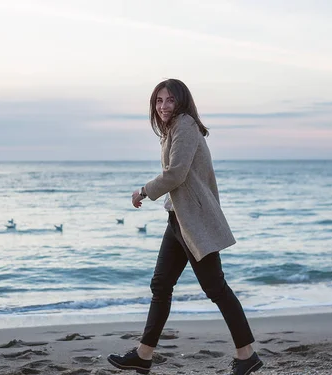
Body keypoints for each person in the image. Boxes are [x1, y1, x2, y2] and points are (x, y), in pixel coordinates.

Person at [107, 79, 263, 375]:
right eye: (158, 101)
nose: (163, 106)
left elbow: (175, 174)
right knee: (161, 285)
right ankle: (143, 354)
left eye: (169, 100)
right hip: (178, 219)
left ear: (181, 103)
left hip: (195, 222)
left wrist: (143, 190)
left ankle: (247, 354)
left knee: (215, 287)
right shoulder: (172, 130)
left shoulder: (185, 126)